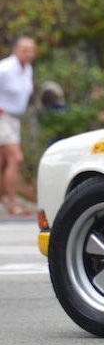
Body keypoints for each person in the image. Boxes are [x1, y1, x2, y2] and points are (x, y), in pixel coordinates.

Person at [0, 37, 37, 216]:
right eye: (25, 50)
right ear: (15, 50)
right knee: (16, 158)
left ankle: (7, 200)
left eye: (31, 50)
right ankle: (12, 203)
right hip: (2, 116)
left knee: (3, 161)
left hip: (14, 118)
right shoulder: (5, 68)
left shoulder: (27, 69)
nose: (29, 54)